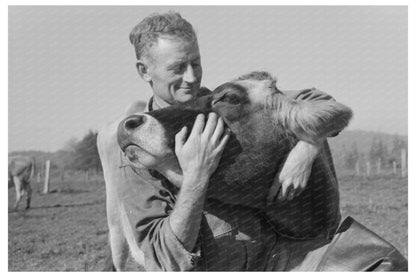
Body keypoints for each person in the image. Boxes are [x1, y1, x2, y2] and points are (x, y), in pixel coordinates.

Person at [98, 11, 344, 271]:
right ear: (144, 71)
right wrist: (195, 177)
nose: (192, 78)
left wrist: (306, 147)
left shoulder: (219, 103)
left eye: (196, 63)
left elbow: (320, 102)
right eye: (178, 68)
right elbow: (163, 263)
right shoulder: (140, 147)